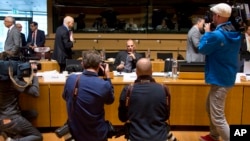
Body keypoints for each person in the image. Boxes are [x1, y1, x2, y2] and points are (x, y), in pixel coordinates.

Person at [198, 3, 241, 141]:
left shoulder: (216, 35)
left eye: (213, 15)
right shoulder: (234, 32)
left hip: (219, 78)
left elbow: (202, 48)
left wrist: (208, 33)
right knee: (210, 107)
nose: (211, 18)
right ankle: (213, 136)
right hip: (226, 76)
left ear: (217, 16)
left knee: (218, 117)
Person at [63, 50, 114, 141]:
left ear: (82, 64)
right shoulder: (104, 84)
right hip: (97, 133)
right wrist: (108, 77)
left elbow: (64, 97)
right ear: (99, 65)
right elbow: (110, 100)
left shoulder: (70, 79)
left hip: (75, 132)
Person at [118, 58, 174, 141]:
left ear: (136, 72)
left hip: (135, 137)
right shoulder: (164, 89)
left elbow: (122, 118)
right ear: (152, 71)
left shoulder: (128, 90)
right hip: (160, 138)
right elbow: (166, 116)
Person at [0, 62, 43, 141]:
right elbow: (35, 93)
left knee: (33, 113)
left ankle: (8, 132)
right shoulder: (13, 81)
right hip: (11, 117)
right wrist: (34, 76)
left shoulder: (4, 80)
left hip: (2, 115)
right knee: (37, 136)